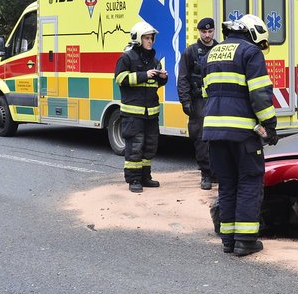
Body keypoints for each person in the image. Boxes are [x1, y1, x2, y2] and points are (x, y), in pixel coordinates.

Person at [202, 14, 278, 257]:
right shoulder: (250, 52)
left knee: (227, 184)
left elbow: (207, 90)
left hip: (213, 131)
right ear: (254, 33)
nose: (261, 49)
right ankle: (245, 241)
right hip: (242, 132)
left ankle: (228, 240)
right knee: (248, 181)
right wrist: (269, 124)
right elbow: (259, 93)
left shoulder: (213, 52)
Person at [114, 21, 168, 193]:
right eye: (146, 38)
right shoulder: (127, 58)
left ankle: (145, 177)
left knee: (150, 146)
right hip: (133, 113)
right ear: (138, 38)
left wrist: (162, 78)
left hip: (151, 113)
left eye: (151, 38)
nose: (150, 41)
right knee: (135, 147)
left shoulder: (154, 60)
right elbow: (120, 79)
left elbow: (155, 85)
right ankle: (133, 180)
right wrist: (144, 75)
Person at [177, 17, 218, 190]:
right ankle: (206, 174)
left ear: (214, 31)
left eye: (210, 31)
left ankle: (217, 172)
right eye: (204, 32)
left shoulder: (220, 49)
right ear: (199, 32)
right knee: (202, 138)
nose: (207, 35)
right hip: (199, 102)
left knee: (219, 137)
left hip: (217, 100)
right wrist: (186, 102)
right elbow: (183, 79)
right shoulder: (191, 52)